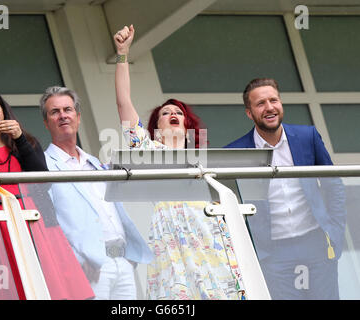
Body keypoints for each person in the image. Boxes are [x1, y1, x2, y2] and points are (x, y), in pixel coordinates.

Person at [114, 25, 244, 300]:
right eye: (165, 113)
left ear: (187, 126)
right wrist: (122, 54)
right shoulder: (149, 149)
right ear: (156, 127)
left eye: (178, 113)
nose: (173, 114)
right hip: (171, 236)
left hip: (209, 231)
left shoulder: (204, 160)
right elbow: (124, 102)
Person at [0, 87, 94, 300]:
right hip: (0, 229)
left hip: (38, 224)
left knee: (55, 290)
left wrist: (19, 137)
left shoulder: (25, 143)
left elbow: (44, 182)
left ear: (3, 111)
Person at [225, 78, 347, 299]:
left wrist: (335, 232)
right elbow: (230, 207)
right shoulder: (236, 152)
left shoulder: (307, 136)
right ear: (249, 113)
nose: (269, 107)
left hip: (316, 244)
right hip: (272, 255)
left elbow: (333, 185)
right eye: (260, 103)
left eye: (274, 100)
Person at [40, 85, 153, 300]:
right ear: (46, 123)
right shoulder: (43, 165)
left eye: (68, 109)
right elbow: (48, 220)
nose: (63, 115)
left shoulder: (95, 162)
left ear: (78, 117)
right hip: (88, 268)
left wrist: (127, 256)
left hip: (122, 263)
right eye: (55, 112)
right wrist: (75, 261)